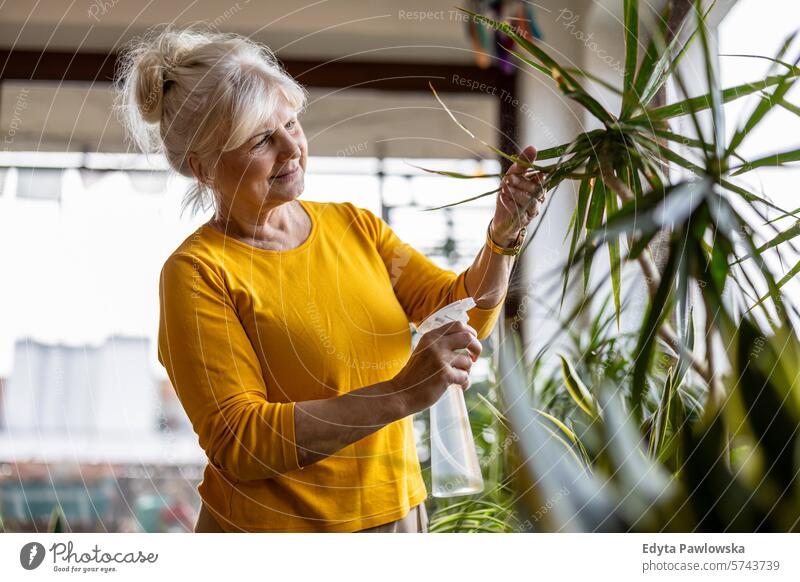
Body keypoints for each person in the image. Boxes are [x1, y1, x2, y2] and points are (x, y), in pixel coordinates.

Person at [116, 26, 546, 533]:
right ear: (204, 167)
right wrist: (401, 393)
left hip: (397, 519)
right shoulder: (198, 273)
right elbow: (241, 440)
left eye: (292, 124)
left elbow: (459, 311)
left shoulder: (354, 226)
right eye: (261, 140)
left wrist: (501, 239)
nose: (291, 148)